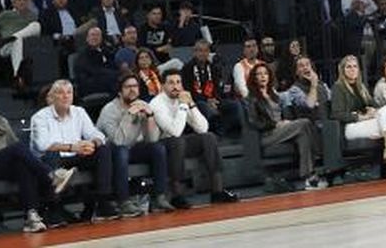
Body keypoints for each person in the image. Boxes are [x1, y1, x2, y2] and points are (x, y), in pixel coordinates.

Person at [0, 86, 69, 232]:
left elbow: (15, 145)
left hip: (6, 163)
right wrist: (5, 150)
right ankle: (50, 176)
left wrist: (7, 151)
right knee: (17, 150)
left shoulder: (0, 120)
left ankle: (31, 215)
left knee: (22, 164)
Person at [29, 79, 123, 222]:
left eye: (69, 92)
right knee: (51, 153)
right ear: (52, 97)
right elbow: (42, 145)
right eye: (60, 93)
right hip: (50, 160)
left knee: (103, 149)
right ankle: (53, 209)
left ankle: (103, 203)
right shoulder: (40, 117)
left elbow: (96, 134)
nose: (65, 96)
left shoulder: (79, 112)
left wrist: (92, 143)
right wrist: (72, 147)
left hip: (76, 156)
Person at [149, 70, 236, 206]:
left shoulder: (181, 99)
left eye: (178, 82)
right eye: (171, 83)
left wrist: (191, 105)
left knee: (208, 137)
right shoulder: (156, 103)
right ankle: (177, 195)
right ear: (163, 86)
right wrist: (183, 106)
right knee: (177, 141)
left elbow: (203, 128)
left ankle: (217, 191)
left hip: (179, 142)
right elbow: (175, 131)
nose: (176, 86)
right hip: (160, 145)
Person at [94, 75, 174, 216]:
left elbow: (152, 139)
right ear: (120, 92)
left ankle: (159, 197)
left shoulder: (142, 105)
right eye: (128, 87)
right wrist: (129, 115)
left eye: (135, 86)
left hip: (131, 149)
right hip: (109, 152)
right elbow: (118, 141)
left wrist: (149, 117)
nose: (132, 90)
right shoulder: (110, 110)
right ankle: (123, 201)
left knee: (158, 148)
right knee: (122, 151)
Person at [329, 56, 386, 179]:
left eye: (355, 66)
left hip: (365, 123)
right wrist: (361, 117)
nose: (352, 69)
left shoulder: (361, 87)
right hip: (350, 127)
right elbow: (336, 114)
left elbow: (376, 105)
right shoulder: (338, 87)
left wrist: (374, 111)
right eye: (348, 67)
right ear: (342, 70)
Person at [244, 63, 324, 189]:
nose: (263, 76)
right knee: (305, 122)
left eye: (265, 73)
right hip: (267, 134)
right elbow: (254, 122)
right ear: (254, 78)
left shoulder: (274, 95)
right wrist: (276, 124)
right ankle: (320, 152)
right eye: (259, 74)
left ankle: (308, 177)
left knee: (303, 135)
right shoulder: (251, 98)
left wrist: (285, 122)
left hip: (281, 130)